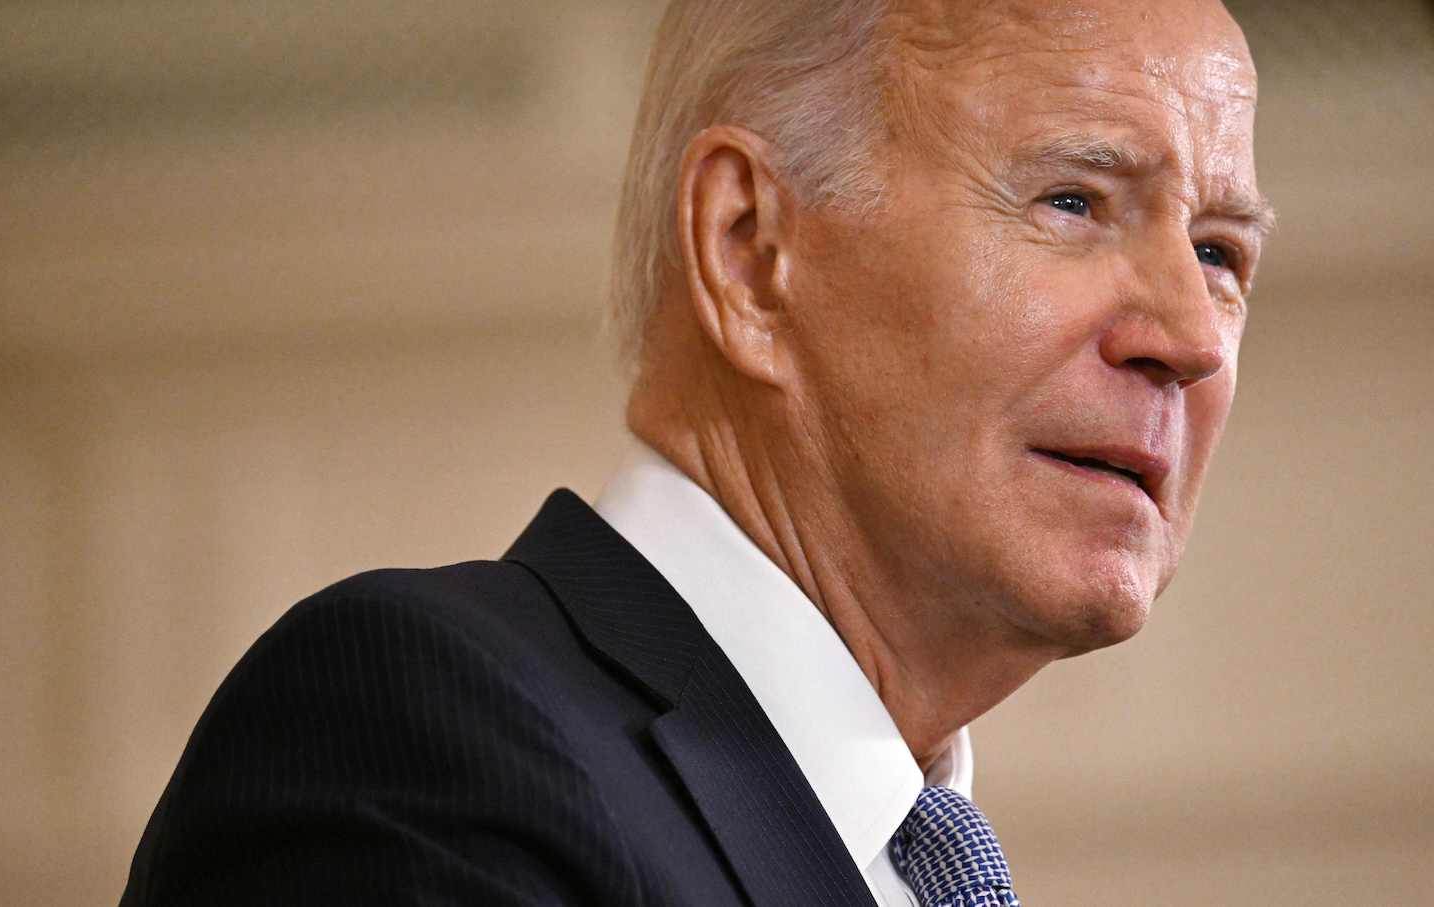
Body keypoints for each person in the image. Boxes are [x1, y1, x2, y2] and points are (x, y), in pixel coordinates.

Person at [119, 0, 1273, 904]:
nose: (1187, 338)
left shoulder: (909, 863)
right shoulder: (414, 743)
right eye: (1073, 200)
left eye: (1221, 251)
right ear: (750, 247)